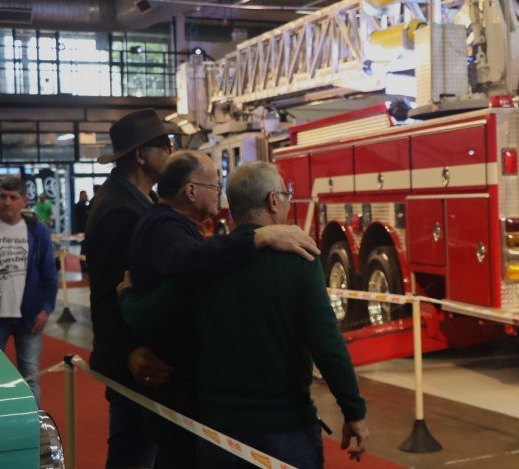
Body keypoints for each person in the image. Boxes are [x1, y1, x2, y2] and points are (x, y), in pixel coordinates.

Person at [118, 161, 368, 469]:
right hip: (286, 427)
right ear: (273, 201)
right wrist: (353, 411)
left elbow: (146, 314)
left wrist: (126, 294)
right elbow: (327, 344)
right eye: (286, 194)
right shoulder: (300, 259)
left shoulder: (208, 263)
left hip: (217, 431)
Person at [84, 108, 177, 468]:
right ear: (141, 154)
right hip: (134, 366)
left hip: (138, 361)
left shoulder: (136, 200)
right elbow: (108, 295)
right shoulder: (120, 209)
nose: (170, 152)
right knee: (133, 456)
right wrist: (128, 352)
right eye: (164, 144)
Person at [0, 177, 58, 404]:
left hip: (30, 316)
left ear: (24, 201)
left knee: (31, 376)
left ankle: (31, 426)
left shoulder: (37, 231)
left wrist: (46, 309)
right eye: (3, 196)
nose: (6, 202)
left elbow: (50, 276)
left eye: (13, 198)